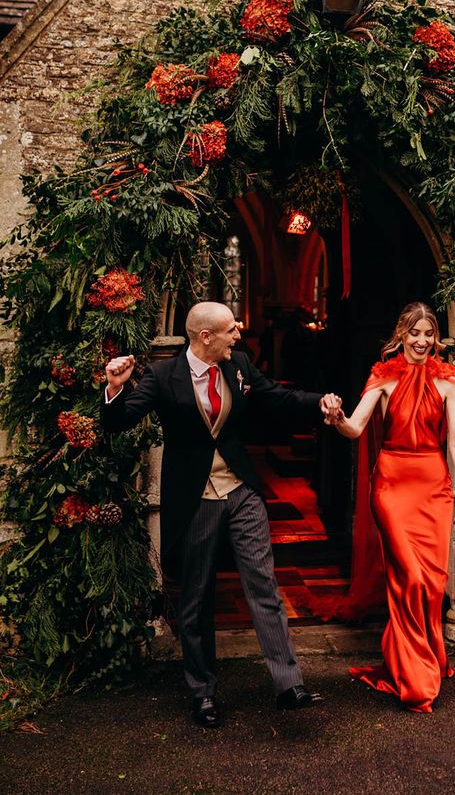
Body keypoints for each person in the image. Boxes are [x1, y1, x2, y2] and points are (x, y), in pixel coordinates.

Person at [100, 301, 342, 728]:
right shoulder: (162, 375)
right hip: (196, 498)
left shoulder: (240, 366)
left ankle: (289, 685)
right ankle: (203, 693)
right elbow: (119, 423)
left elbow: (277, 397)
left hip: (241, 489)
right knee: (196, 597)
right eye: (231, 330)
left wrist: (317, 403)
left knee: (263, 583)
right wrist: (116, 387)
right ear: (204, 336)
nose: (238, 336)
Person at [326, 302, 455, 714]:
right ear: (402, 335)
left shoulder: (448, 379)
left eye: (428, 334)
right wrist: (337, 417)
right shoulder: (383, 376)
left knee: (430, 584)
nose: (422, 341)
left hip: (434, 488)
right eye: (415, 333)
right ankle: (416, 677)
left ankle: (419, 658)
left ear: (435, 338)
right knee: (409, 577)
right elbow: (355, 427)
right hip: (391, 486)